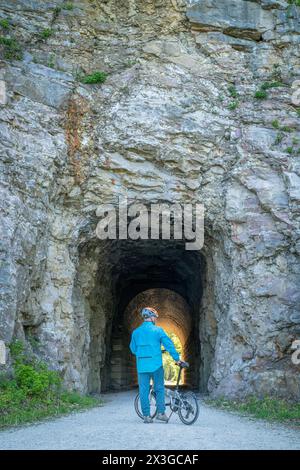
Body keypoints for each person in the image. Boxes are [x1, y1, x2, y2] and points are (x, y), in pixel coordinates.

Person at [129, 306, 181, 423]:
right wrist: (177, 358)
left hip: (142, 366)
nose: (155, 319)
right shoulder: (158, 331)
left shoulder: (136, 332)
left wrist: (141, 353)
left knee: (143, 390)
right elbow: (169, 344)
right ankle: (161, 413)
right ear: (152, 318)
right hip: (156, 365)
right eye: (155, 317)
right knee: (159, 389)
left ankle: (146, 416)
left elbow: (132, 349)